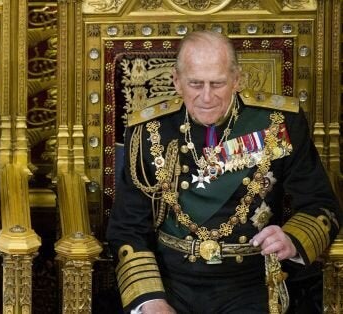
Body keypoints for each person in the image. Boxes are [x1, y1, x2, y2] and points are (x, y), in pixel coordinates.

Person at [106, 30, 341, 314]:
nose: (207, 97)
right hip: (170, 282)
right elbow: (127, 227)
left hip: (251, 284)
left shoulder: (278, 123)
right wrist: (149, 301)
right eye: (195, 84)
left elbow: (321, 205)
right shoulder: (148, 131)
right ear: (176, 82)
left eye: (217, 83)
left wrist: (292, 239)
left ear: (237, 80)